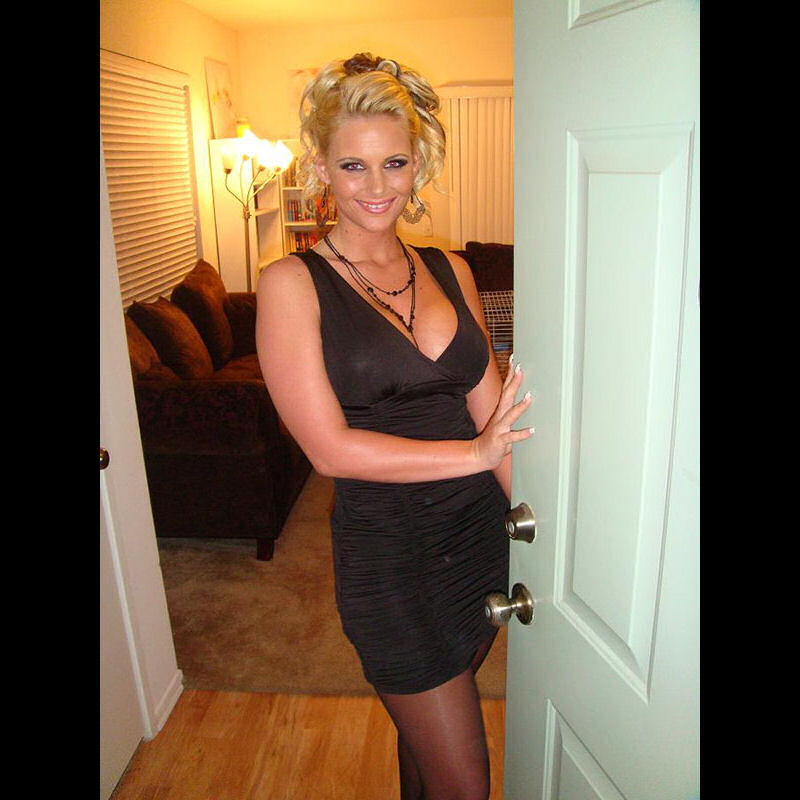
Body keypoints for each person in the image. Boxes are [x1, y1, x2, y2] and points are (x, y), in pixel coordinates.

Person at [256, 52, 533, 800]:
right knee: (466, 784)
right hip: (392, 561)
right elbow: (329, 450)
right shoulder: (291, 285)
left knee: (428, 753)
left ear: (419, 164)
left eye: (394, 163)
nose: (377, 187)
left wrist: (545, 534)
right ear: (321, 168)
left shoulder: (451, 269)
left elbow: (494, 412)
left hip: (478, 544)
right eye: (353, 165)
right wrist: (475, 454)